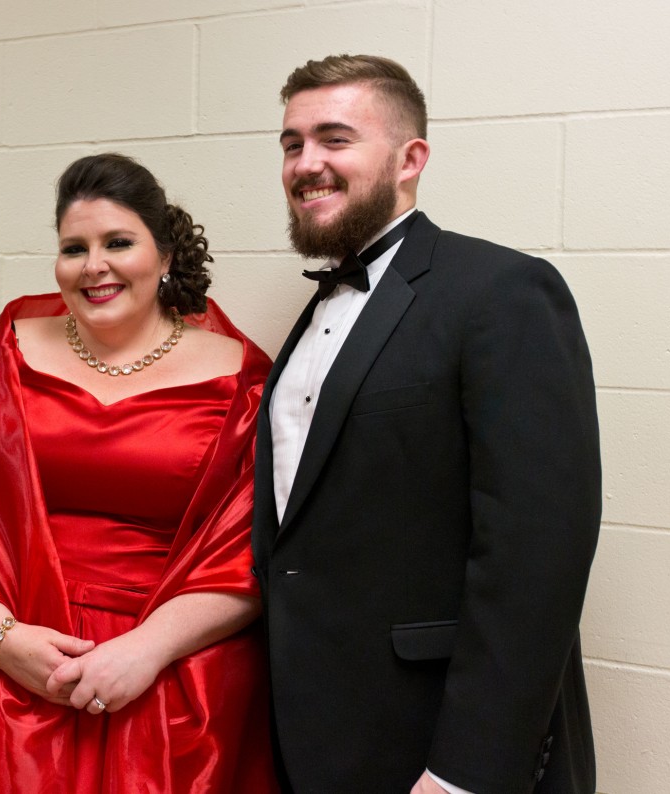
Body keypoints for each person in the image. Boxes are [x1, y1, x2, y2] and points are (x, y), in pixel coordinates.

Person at [252, 54, 601, 794]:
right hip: (314, 739)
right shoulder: (318, 312)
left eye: (334, 138)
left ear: (411, 159)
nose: (305, 163)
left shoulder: (502, 291)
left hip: (441, 753)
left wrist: (464, 773)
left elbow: (536, 556)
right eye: (291, 143)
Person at [0, 153, 279, 793]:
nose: (94, 265)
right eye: (74, 247)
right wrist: (3, 641)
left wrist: (146, 651)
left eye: (118, 242)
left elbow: (250, 549)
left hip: (164, 671)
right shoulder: (8, 346)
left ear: (166, 254)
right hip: (7, 665)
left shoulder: (242, 378)